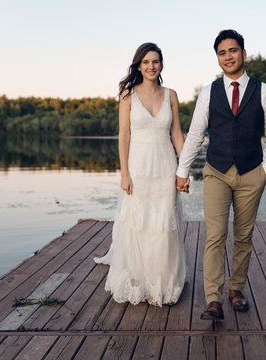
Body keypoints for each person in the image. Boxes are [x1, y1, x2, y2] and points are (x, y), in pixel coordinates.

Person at [176, 30, 266, 320]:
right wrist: (182, 171)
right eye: (222, 53)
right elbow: (196, 134)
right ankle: (214, 300)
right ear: (218, 58)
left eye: (233, 51)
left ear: (243, 54)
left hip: (251, 172)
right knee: (215, 235)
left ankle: (236, 290)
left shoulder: (264, 91)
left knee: (244, 235)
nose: (228, 57)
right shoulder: (209, 92)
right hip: (216, 171)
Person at [95, 42, 186, 307]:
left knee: (164, 226)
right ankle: (142, 282)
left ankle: (163, 284)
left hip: (166, 166)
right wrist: (124, 173)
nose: (151, 66)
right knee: (140, 225)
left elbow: (177, 134)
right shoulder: (127, 95)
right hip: (138, 168)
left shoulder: (171, 95)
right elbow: (124, 137)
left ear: (161, 65)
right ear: (138, 65)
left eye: (155, 61)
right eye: (145, 62)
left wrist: (185, 169)